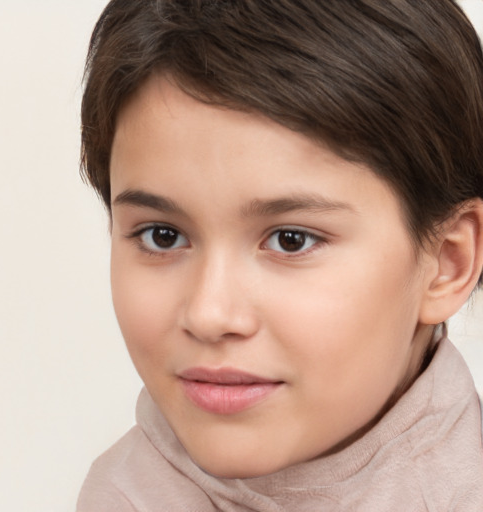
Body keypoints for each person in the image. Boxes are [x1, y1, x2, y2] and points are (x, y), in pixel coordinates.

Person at [76, 0, 483, 510]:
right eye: (162, 235)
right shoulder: (120, 494)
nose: (209, 314)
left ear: (448, 263)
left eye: (291, 239)